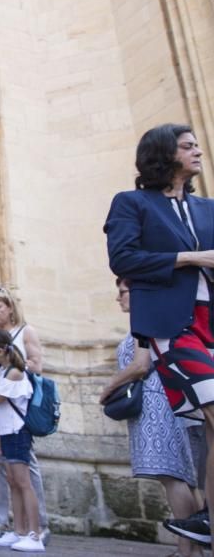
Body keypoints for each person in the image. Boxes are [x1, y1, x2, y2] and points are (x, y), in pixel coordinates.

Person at [105, 123, 214, 546]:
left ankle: (205, 522)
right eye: (188, 146)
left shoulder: (208, 208)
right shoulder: (133, 204)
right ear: (165, 154)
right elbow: (124, 259)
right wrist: (189, 258)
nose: (197, 152)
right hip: (175, 327)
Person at [98, 277, 200, 557]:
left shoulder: (145, 321)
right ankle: (191, 548)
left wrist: (109, 386)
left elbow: (140, 366)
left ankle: (186, 550)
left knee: (172, 476)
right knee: (178, 477)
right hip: (163, 402)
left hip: (157, 404)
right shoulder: (147, 320)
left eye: (124, 291)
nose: (119, 297)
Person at [0, 285, 49, 542]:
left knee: (25, 466)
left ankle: (37, 524)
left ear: (10, 307)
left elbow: (37, 364)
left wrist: (9, 366)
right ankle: (3, 520)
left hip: (15, 404)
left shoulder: (24, 331)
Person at [0, 329, 44, 553]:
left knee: (24, 483)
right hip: (7, 432)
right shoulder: (6, 371)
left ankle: (35, 534)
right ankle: (19, 531)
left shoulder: (15, 373)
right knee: (13, 482)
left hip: (18, 433)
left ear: (0, 351)